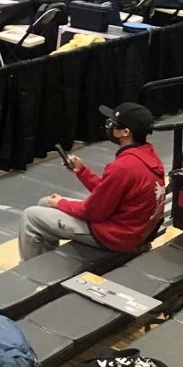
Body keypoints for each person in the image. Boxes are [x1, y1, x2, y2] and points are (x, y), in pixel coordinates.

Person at [18, 103, 164, 260]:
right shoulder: (148, 153)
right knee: (45, 203)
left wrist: (60, 203)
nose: (108, 127)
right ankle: (44, 262)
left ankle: (30, 279)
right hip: (135, 229)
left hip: (117, 236)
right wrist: (82, 171)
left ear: (125, 132)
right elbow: (109, 193)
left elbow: (93, 212)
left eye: (112, 124)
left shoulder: (122, 167)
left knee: (30, 217)